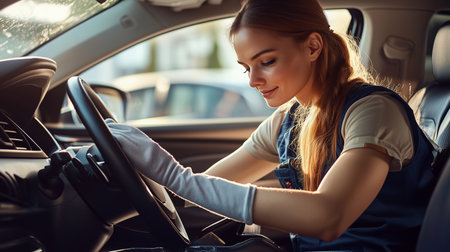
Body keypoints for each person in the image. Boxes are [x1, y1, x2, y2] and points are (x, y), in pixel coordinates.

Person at [106, 0, 437, 251]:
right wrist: (137, 178)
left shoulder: (374, 111)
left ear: (312, 47)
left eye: (266, 62)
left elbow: (328, 217)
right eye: (246, 67)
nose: (253, 80)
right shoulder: (290, 118)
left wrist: (173, 175)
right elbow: (209, 186)